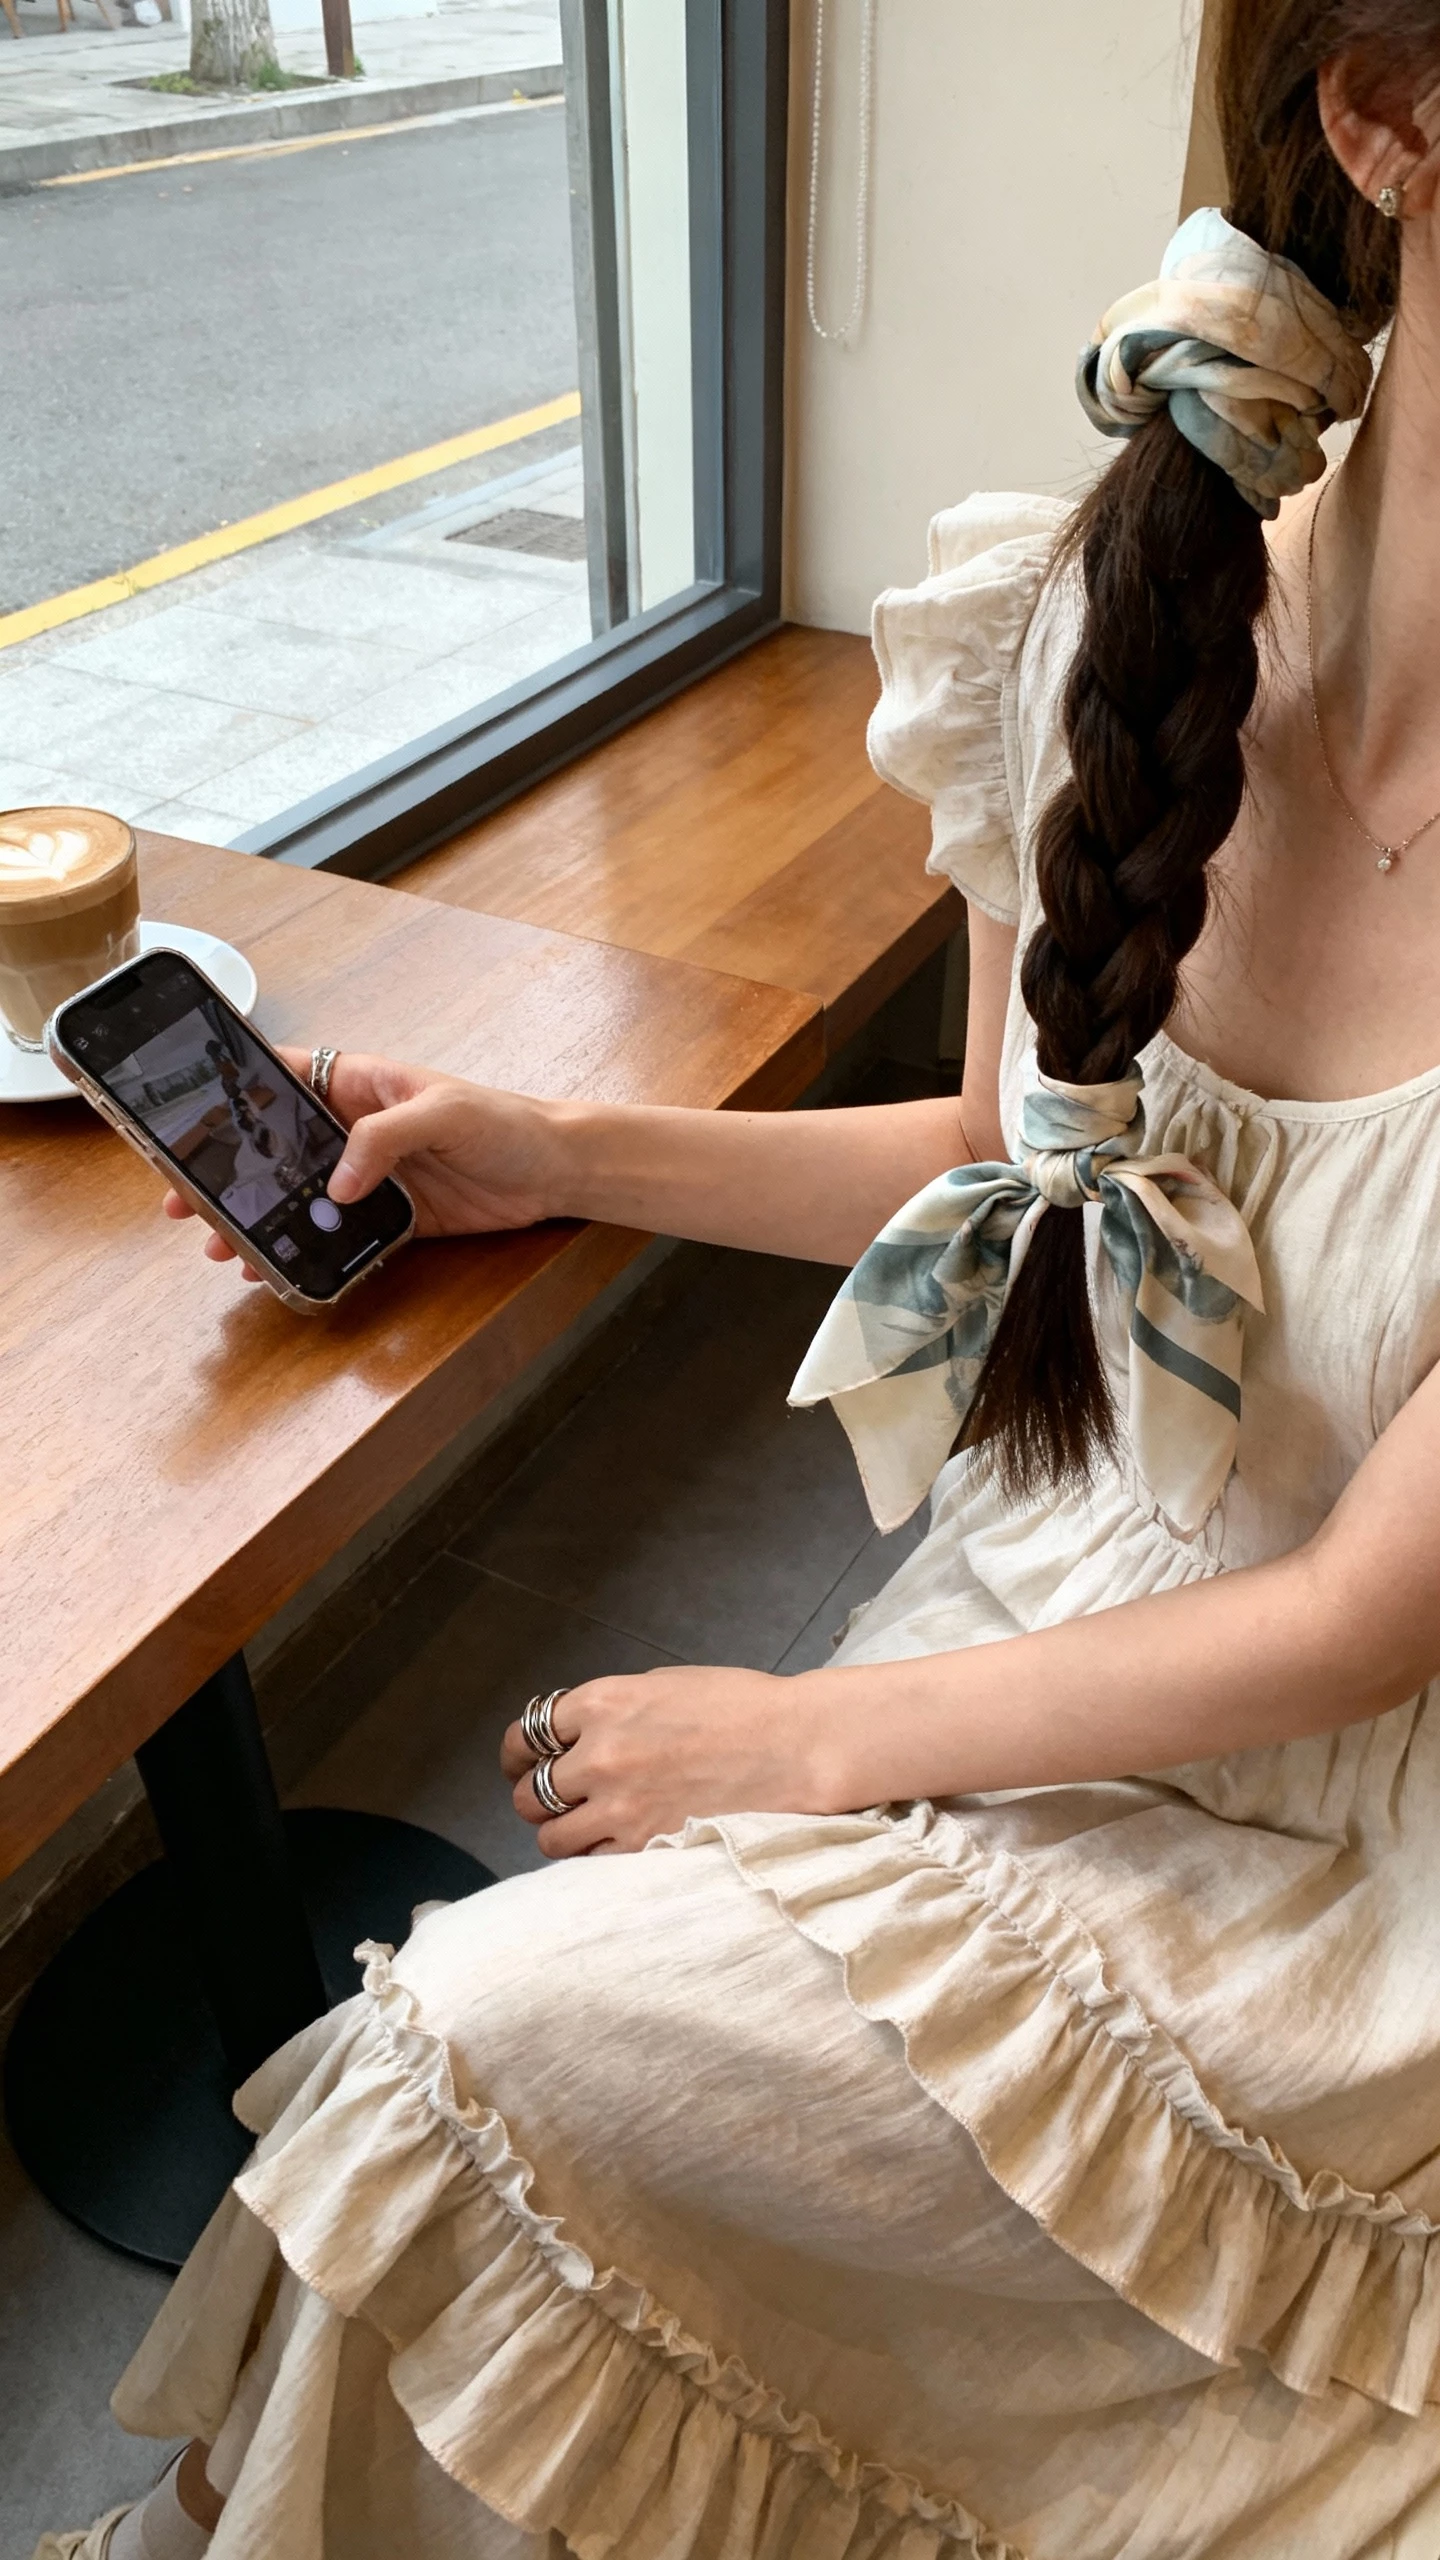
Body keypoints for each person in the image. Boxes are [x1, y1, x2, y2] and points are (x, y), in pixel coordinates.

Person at [37, 4, 1440, 2553]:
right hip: (1058, 1619)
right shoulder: (1120, 598)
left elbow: (1363, 1609)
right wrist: (548, 1153)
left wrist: (804, 1746)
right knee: (463, 2090)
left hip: (1357, 1866)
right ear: (1387, 114)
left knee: (474, 2051)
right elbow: (1023, 1161)